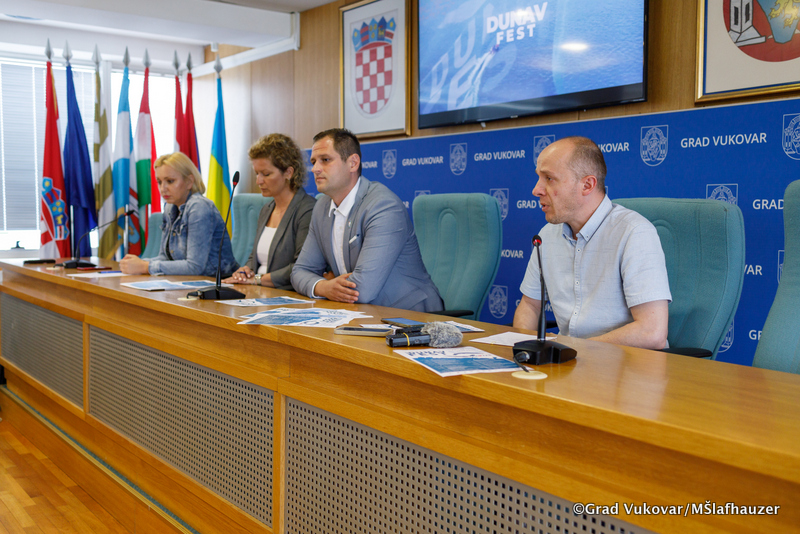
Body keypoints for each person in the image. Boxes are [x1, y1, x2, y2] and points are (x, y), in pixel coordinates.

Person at [512, 136, 671, 350]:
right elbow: (530, 306)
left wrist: (573, 351)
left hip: (627, 364)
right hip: (568, 361)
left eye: (549, 178)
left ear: (587, 185)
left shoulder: (634, 232)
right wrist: (525, 349)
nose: (536, 190)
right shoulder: (547, 235)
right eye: (539, 177)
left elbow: (652, 332)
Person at [291, 128, 443, 312]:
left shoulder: (383, 206)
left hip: (411, 316)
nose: (315, 168)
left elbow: (361, 290)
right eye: (314, 161)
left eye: (325, 160)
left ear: (353, 163)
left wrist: (326, 284)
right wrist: (324, 286)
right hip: (362, 314)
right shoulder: (321, 207)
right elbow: (299, 272)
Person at [120, 152, 238, 277]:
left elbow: (194, 267)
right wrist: (138, 263)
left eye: (170, 181)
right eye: (159, 182)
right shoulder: (170, 207)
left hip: (218, 282)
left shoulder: (199, 207)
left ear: (189, 182)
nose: (163, 188)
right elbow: (165, 257)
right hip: (187, 282)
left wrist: (146, 266)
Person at [223, 134, 316, 290]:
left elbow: (301, 266)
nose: (259, 181)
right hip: (258, 292)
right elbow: (255, 257)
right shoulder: (266, 209)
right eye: (257, 173)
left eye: (266, 174)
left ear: (288, 172)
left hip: (286, 295)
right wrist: (245, 271)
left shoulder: (307, 210)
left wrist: (258, 279)